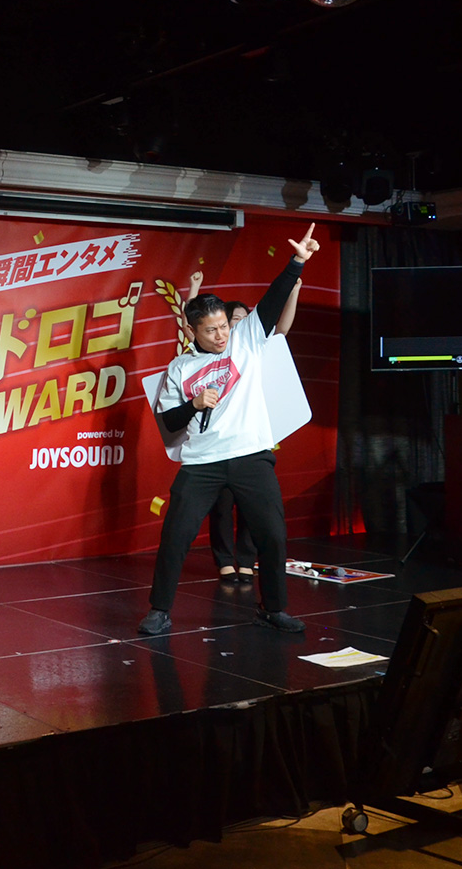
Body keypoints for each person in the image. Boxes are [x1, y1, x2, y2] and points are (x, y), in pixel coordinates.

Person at [139, 224, 320, 636]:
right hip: (201, 462)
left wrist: (297, 261)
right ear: (192, 331)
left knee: (272, 536)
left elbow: (273, 300)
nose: (221, 335)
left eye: (223, 326)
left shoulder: (246, 339)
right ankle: (159, 610)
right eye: (211, 330)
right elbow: (169, 423)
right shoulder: (180, 368)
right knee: (176, 537)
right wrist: (194, 403)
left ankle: (273, 608)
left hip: (251, 455)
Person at [209, 282, 302, 585]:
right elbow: (189, 326)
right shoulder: (213, 353)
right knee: (222, 506)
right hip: (221, 441)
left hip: (253, 437)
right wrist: (194, 288)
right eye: (234, 320)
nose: (240, 325)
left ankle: (247, 560)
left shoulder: (257, 345)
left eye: (244, 319)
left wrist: (293, 291)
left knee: (253, 505)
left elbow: (282, 329)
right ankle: (225, 560)